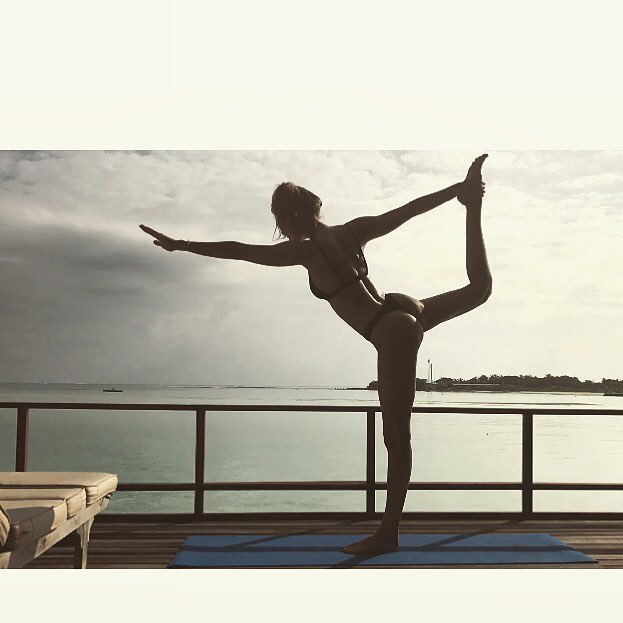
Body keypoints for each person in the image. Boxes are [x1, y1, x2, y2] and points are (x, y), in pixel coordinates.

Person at [140, 154, 492, 556]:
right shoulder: (353, 230)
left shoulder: (306, 252)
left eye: (281, 222)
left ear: (292, 217)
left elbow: (240, 250)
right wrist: (457, 191)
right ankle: (472, 206)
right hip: (404, 308)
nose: (283, 232)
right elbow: (407, 210)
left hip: (391, 331)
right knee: (479, 289)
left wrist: (183, 245)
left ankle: (388, 533)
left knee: (397, 438)